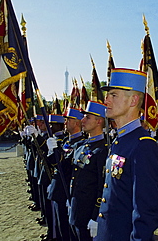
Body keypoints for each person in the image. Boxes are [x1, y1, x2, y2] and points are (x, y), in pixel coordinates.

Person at [96, 68, 158, 240]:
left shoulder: (143, 146)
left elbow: (146, 212)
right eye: (108, 95)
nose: (106, 100)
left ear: (133, 100)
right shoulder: (119, 141)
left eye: (114, 95)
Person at [67, 101, 108, 241]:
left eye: (87, 117)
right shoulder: (81, 146)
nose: (82, 120)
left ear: (99, 121)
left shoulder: (103, 150)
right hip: (76, 208)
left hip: (88, 213)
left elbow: (102, 186)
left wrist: (96, 216)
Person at [46, 108, 84, 241]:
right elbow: (53, 164)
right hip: (58, 191)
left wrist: (56, 152)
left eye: (69, 120)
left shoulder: (81, 144)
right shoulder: (65, 141)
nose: (65, 122)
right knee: (61, 230)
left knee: (69, 234)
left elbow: (65, 166)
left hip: (68, 192)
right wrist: (51, 151)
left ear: (77, 123)